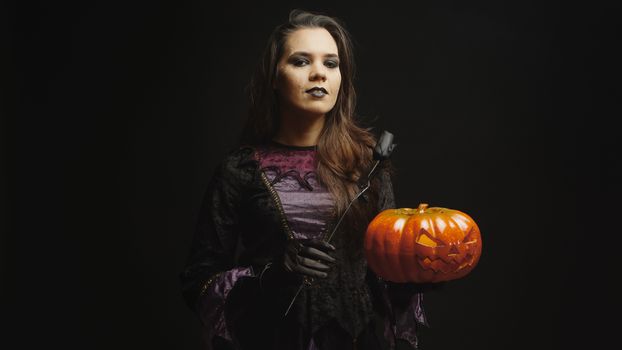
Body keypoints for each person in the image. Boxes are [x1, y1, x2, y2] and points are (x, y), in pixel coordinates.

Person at [179, 9, 438, 350]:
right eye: (301, 61)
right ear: (274, 76)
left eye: (331, 64)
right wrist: (271, 277)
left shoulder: (367, 165)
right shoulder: (240, 169)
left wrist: (416, 277)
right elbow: (199, 280)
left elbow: (383, 277)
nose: (319, 74)